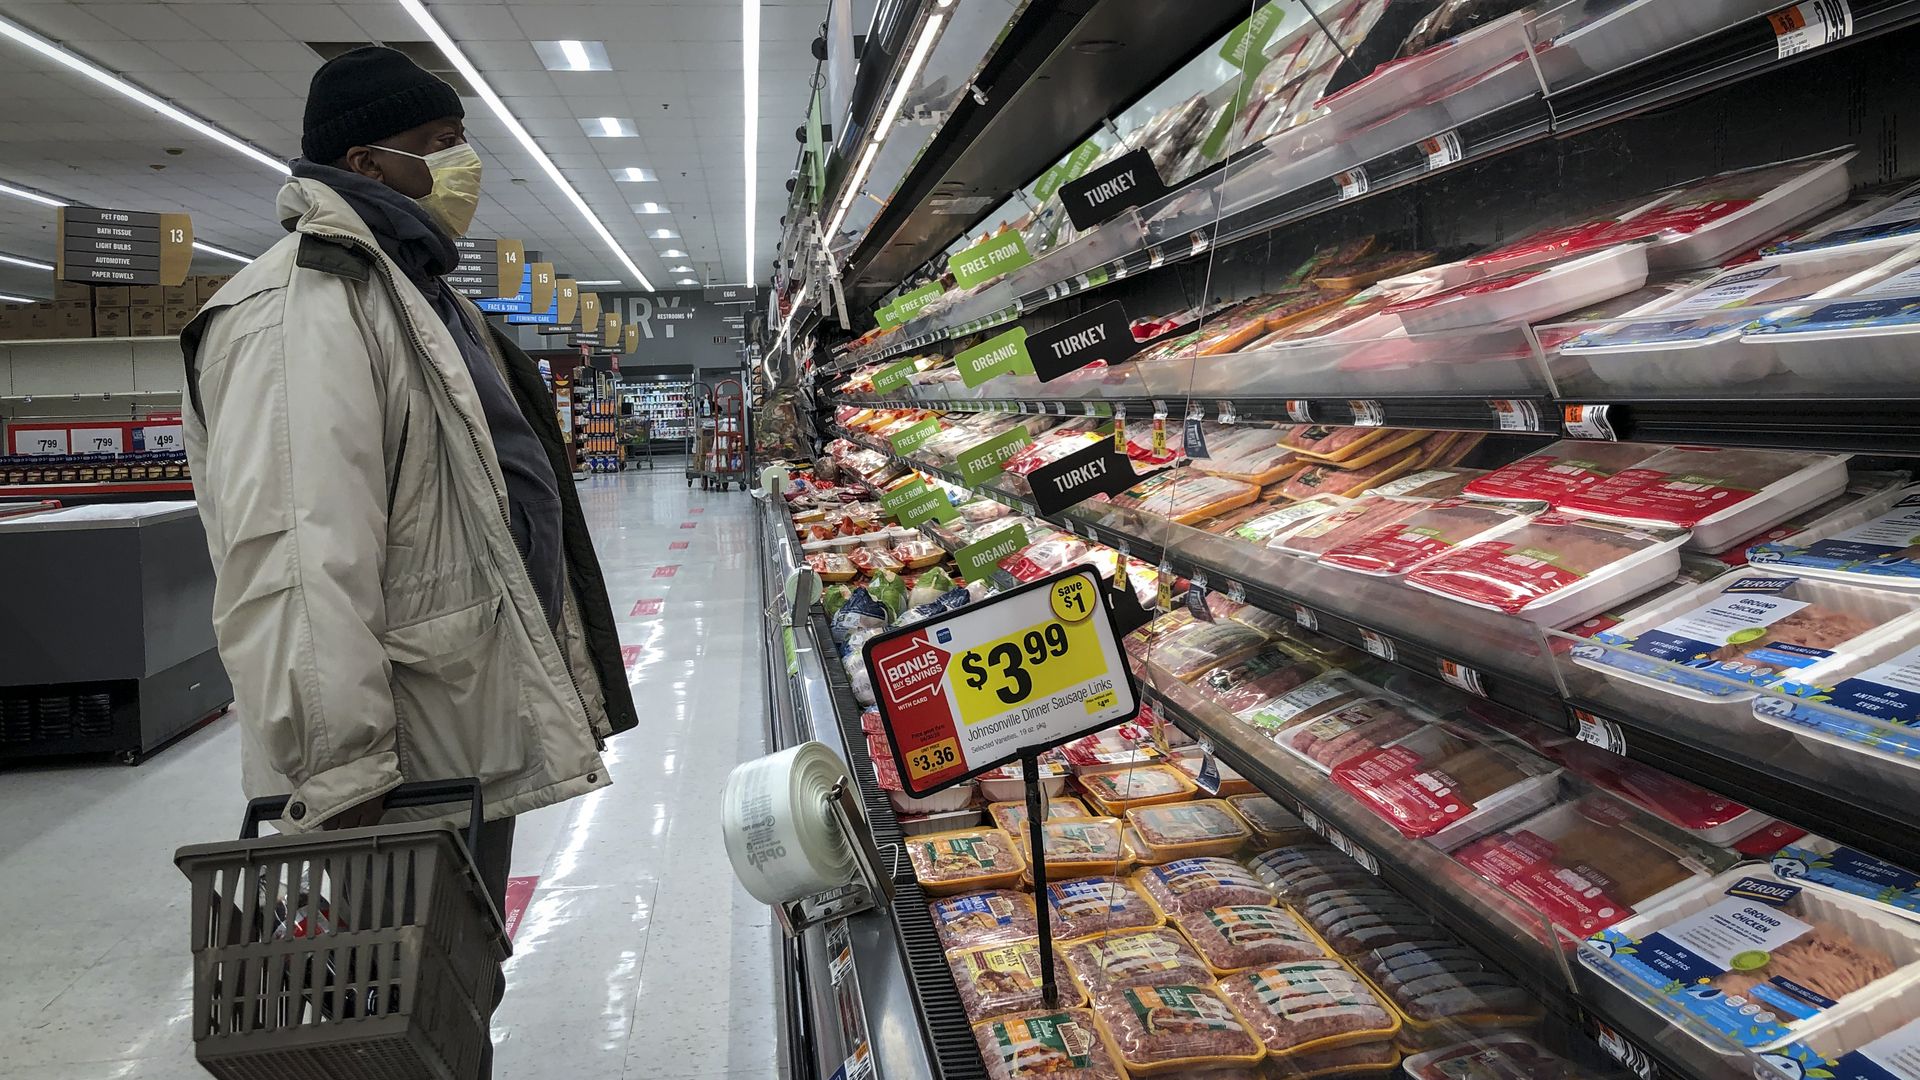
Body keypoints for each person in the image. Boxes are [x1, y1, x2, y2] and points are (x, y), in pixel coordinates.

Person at [180, 41, 637, 970]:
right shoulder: (300, 309)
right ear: (364, 163)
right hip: (392, 758)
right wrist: (343, 772)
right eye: (441, 140)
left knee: (457, 987)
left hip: (457, 724)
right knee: (393, 998)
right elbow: (297, 560)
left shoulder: (417, 295)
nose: (463, 165)